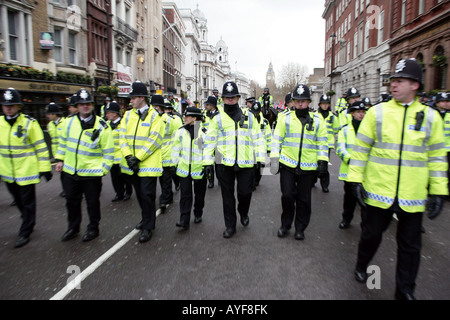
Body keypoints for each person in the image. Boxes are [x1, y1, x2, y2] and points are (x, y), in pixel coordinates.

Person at [348, 58, 448, 300]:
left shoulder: (431, 117)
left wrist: (438, 191)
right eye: (393, 80)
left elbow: (436, 157)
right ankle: (362, 264)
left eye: (400, 81)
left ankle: (404, 291)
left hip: (412, 195)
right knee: (371, 236)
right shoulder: (377, 113)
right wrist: (355, 180)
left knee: (411, 247)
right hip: (378, 190)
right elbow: (361, 149)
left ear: (415, 85)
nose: (393, 85)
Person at [203, 81, 265, 238]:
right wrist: (207, 163)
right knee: (227, 197)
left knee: (245, 194)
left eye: (233, 97)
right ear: (222, 99)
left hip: (246, 163)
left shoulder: (249, 116)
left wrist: (260, 159)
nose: (230, 100)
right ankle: (230, 225)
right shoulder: (217, 119)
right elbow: (209, 141)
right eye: (227, 97)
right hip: (224, 164)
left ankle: (243, 212)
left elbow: (258, 138)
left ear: (238, 98)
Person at [270, 84, 328, 240]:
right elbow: (276, 140)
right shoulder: (285, 119)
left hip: (308, 167)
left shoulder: (317, 120)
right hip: (287, 164)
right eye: (297, 101)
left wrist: (322, 161)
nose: (300, 104)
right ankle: (285, 225)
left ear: (309, 102)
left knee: (304, 199)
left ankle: (300, 227)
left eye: (303, 101)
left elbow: (322, 142)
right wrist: (274, 159)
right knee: (287, 196)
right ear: (293, 102)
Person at [55, 89, 114, 242]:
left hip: (91, 174)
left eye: (88, 103)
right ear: (77, 106)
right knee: (71, 202)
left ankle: (93, 228)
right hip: (70, 172)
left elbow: (109, 152)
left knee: (92, 203)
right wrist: (60, 159)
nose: (85, 106)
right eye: (82, 104)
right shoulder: (68, 123)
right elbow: (63, 143)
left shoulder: (102, 126)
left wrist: (103, 170)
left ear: (92, 105)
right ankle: (73, 228)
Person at [0, 88, 53, 248]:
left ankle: (26, 230)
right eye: (6, 105)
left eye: (12, 105)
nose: (8, 108)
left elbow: (41, 147)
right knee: (18, 201)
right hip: (8, 172)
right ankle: (27, 219)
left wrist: (45, 168)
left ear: (19, 106)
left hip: (26, 171)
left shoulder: (30, 123)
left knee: (28, 202)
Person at [119, 81, 164, 243]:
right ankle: (145, 218)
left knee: (147, 195)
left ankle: (148, 226)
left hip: (147, 165)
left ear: (141, 98)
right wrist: (128, 156)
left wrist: (138, 157)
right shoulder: (128, 115)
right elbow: (121, 136)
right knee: (139, 195)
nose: (130, 101)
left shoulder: (155, 116)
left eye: (133, 98)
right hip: (132, 164)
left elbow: (155, 140)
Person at [172, 107, 208, 229]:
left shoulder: (203, 132)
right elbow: (175, 149)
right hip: (184, 169)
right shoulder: (181, 131)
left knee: (199, 195)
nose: (185, 118)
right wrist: (174, 164)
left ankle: (198, 212)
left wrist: (209, 166)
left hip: (199, 170)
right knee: (185, 195)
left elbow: (210, 151)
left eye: (187, 116)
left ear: (194, 118)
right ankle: (184, 219)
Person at [336, 101, 368, 229]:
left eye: (363, 112)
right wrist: (350, 159)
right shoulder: (344, 130)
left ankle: (366, 222)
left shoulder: (368, 130)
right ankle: (346, 219)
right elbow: (340, 148)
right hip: (349, 169)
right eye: (358, 112)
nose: (361, 114)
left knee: (366, 198)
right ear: (353, 113)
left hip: (365, 170)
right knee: (349, 199)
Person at [152, 94, 183, 215]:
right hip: (172, 153)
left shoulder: (158, 119)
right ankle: (168, 196)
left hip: (162, 153)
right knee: (167, 178)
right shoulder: (177, 119)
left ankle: (165, 199)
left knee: (164, 179)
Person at [104, 101, 132, 202]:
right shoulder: (106, 125)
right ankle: (119, 193)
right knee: (115, 178)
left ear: (115, 113)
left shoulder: (124, 123)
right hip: (111, 157)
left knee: (125, 177)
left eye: (108, 112)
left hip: (122, 156)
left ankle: (128, 192)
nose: (106, 114)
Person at [314, 94, 339, 193]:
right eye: (323, 104)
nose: (325, 106)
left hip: (327, 144)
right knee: (314, 163)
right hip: (315, 143)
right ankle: (313, 180)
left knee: (324, 164)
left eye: (326, 104)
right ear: (320, 104)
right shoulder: (315, 115)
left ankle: (325, 185)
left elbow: (336, 129)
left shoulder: (333, 117)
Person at [45, 102, 66, 197]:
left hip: (67, 152)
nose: (47, 116)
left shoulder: (65, 123)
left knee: (68, 174)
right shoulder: (50, 125)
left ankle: (69, 190)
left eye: (49, 114)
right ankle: (65, 189)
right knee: (62, 173)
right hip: (57, 153)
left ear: (54, 114)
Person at [249, 100, 271, 189]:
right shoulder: (248, 121)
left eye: (257, 113)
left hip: (262, 147)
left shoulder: (265, 122)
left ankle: (257, 180)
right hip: (251, 147)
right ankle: (252, 182)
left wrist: (269, 149)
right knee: (252, 167)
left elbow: (269, 136)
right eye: (254, 113)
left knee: (260, 167)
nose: (255, 115)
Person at [434, 92, 450, 196]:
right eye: (443, 101)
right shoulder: (432, 114)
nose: (446, 104)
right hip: (435, 149)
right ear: (437, 103)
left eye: (447, 101)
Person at [202, 95, 219, 188]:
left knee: (219, 162)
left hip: (218, 142)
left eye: (207, 104)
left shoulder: (220, 115)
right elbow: (198, 126)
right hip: (207, 142)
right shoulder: (203, 115)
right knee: (209, 163)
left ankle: (220, 179)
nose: (205, 106)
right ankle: (211, 181)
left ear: (212, 105)